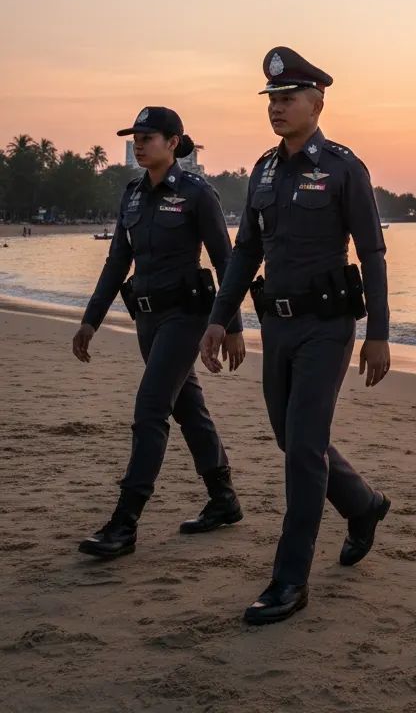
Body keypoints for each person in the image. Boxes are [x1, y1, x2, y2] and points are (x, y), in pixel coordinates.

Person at [200, 46, 391, 626]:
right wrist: (219, 315)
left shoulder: (342, 168)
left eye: (288, 99)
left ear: (318, 102)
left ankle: (289, 581)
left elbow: (373, 252)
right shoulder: (262, 170)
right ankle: (363, 505)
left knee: (304, 448)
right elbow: (246, 251)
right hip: (275, 326)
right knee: (291, 438)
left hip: (328, 328)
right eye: (272, 100)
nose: (277, 109)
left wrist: (378, 333)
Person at [73, 107, 245, 560]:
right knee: (188, 407)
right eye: (136, 137)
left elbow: (226, 261)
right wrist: (91, 319)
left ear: (173, 143)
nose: (140, 143)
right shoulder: (131, 196)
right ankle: (224, 499)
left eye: (148, 137)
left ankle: (124, 522)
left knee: (151, 409)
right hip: (146, 320)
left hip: (185, 318)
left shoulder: (196, 194)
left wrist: (231, 326)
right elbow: (116, 263)